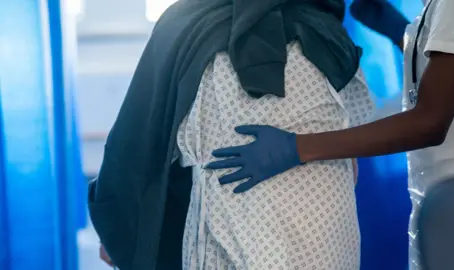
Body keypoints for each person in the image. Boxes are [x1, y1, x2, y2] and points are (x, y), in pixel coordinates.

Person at [91, 0, 368, 269]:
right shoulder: (329, 41)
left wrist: (120, 226)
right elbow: (353, 151)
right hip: (319, 240)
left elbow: (138, 145)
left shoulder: (190, 30)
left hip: (262, 239)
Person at [207, 0, 454, 269]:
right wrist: (399, 32)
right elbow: (453, 79)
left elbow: (430, 121)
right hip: (443, 201)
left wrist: (297, 147)